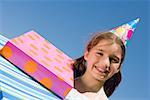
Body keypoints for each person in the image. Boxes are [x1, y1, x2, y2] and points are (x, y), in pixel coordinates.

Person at [65, 18, 140, 100]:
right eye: (100, 53)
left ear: (118, 68)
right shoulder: (59, 79)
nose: (105, 63)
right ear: (87, 54)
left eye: (114, 60)